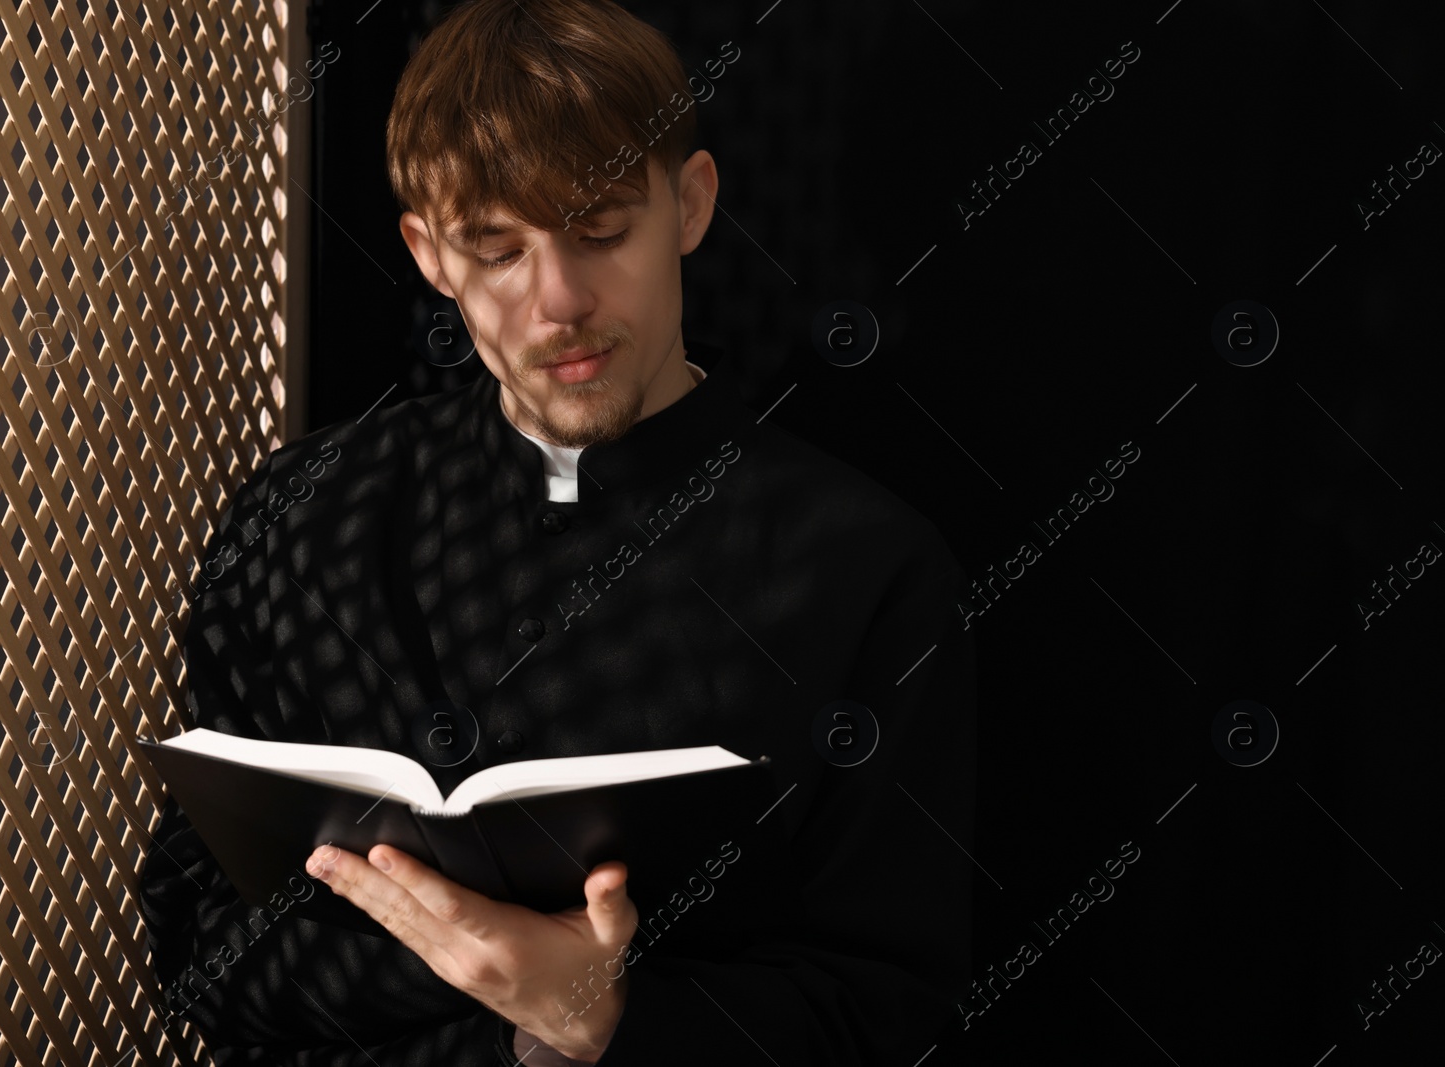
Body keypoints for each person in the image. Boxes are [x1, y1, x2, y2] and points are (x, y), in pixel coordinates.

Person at [136, 1, 976, 1063]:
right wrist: (503, 979)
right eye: (496, 249)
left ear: (692, 203)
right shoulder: (299, 517)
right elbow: (195, 940)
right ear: (429, 256)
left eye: (602, 230)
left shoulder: (865, 566)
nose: (559, 299)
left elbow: (888, 1010)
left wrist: (606, 1018)